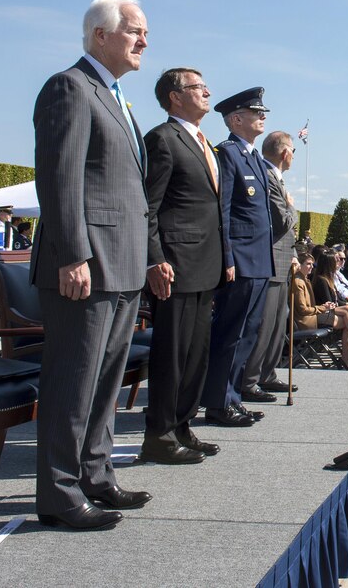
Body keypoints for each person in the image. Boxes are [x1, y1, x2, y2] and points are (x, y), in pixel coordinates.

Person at [31, 0, 152, 530]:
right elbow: (61, 180)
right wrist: (72, 254)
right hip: (86, 264)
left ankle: (95, 474)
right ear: (101, 35)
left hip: (123, 265)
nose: (144, 40)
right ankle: (58, 494)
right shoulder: (70, 87)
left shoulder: (117, 97)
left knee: (105, 380)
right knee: (73, 383)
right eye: (135, 31)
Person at [140, 67, 225, 464]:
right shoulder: (162, 139)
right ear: (175, 97)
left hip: (206, 263)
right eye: (197, 87)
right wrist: (155, 259)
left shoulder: (204, 141)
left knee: (196, 354)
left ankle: (182, 425)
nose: (207, 92)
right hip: (176, 263)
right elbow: (149, 208)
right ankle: (158, 434)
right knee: (171, 354)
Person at [201, 88, 274, 427]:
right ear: (235, 119)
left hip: (259, 260)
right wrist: (227, 258)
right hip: (241, 261)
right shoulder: (227, 154)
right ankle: (218, 403)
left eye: (263, 112)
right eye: (255, 112)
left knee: (248, 331)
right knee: (230, 333)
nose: (262, 117)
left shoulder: (255, 158)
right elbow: (224, 213)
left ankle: (232, 397)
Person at [241, 131, 299, 404]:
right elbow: (282, 221)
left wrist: (295, 253)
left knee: (278, 325)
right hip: (269, 261)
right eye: (293, 152)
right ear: (285, 152)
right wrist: (292, 208)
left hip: (283, 260)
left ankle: (267, 372)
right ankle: (250, 380)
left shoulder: (277, 178)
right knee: (264, 326)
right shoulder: (266, 176)